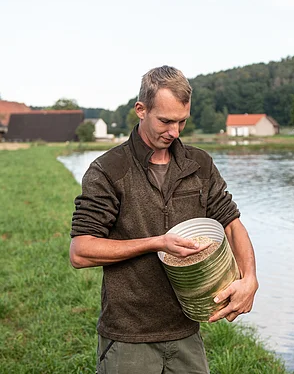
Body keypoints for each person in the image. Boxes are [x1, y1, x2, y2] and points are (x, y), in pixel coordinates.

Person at [70, 65, 258, 373]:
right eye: (166, 121)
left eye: (182, 121)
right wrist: (156, 243)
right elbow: (81, 251)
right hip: (129, 335)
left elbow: (231, 222)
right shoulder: (108, 169)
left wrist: (249, 278)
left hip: (186, 330)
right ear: (141, 110)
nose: (174, 132)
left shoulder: (199, 164)